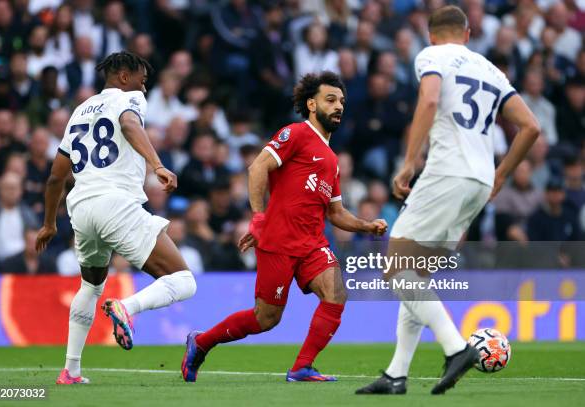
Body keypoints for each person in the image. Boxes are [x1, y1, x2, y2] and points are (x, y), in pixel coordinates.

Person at [356, 6, 540, 396]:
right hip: (479, 180)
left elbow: (428, 100)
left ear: (431, 34)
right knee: (416, 275)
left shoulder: (432, 56)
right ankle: (395, 375)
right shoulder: (491, 69)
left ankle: (457, 348)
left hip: (446, 172)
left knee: (397, 267)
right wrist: (502, 174)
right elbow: (531, 126)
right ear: (469, 34)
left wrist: (408, 163)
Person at [181, 71, 387, 383]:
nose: (339, 106)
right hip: (278, 241)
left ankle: (302, 367)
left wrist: (366, 226)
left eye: (342, 101)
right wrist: (259, 217)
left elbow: (336, 212)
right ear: (312, 104)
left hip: (313, 244)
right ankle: (201, 342)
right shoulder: (296, 134)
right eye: (330, 99)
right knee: (266, 319)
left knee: (336, 294)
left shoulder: (331, 160)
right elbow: (258, 167)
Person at [35, 52, 197, 385]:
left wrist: (49, 223)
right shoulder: (130, 98)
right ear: (123, 77)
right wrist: (158, 165)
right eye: (142, 79)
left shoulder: (79, 111)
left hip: (81, 208)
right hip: (117, 204)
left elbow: (55, 178)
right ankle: (127, 308)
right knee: (184, 282)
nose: (145, 87)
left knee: (91, 285)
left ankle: (71, 370)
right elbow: (127, 124)